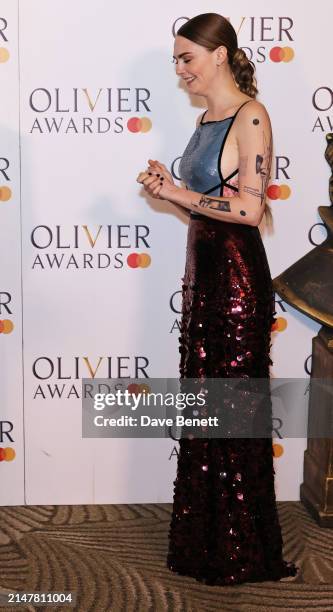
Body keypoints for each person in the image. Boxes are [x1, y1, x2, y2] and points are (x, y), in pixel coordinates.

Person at [136, 13, 299, 586]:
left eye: (188, 59)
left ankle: (243, 551)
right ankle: (207, 541)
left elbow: (250, 212)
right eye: (176, 61)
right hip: (204, 275)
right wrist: (171, 193)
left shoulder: (250, 115)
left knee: (233, 410)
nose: (181, 71)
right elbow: (206, 209)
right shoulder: (207, 119)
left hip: (235, 282)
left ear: (221, 55)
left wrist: (179, 190)